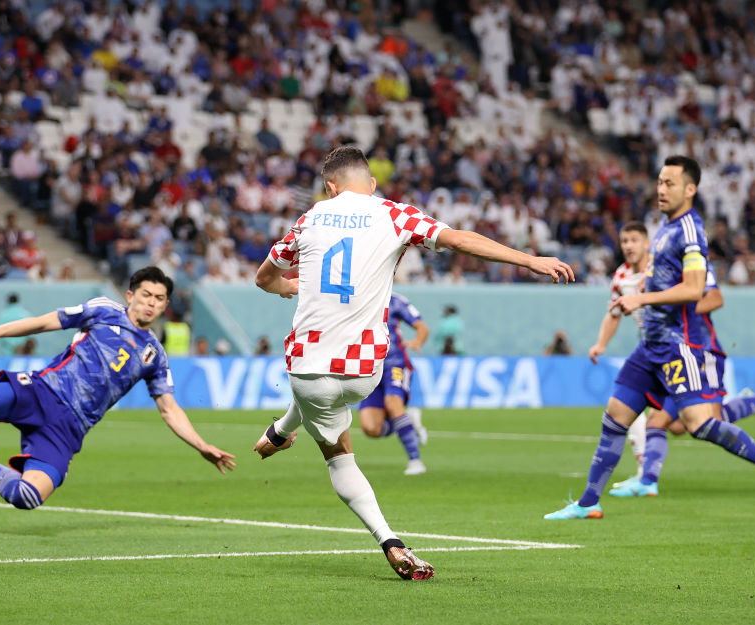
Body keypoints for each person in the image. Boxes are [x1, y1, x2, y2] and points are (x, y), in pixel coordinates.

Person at [252, 146, 574, 579]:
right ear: (371, 183)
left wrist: (287, 287)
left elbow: (263, 278)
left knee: (335, 447)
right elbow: (459, 240)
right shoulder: (393, 214)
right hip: (365, 370)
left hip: (307, 366)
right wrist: (529, 260)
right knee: (331, 398)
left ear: (329, 187)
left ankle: (389, 539)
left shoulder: (308, 218)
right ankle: (278, 432)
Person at [0, 267, 236, 510]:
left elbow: (169, 409)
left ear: (165, 307)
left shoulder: (155, 355)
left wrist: (201, 444)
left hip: (67, 429)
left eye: (159, 299)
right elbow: (43, 322)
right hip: (40, 391)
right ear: (131, 295)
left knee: (26, 498)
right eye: (146, 295)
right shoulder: (103, 309)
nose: (151, 303)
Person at [545, 156, 755, 520]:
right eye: (660, 182)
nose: (661, 190)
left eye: (670, 184)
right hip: (650, 345)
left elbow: (697, 289)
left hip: (679, 347)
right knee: (616, 416)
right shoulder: (665, 228)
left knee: (699, 425)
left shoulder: (691, 232)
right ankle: (589, 502)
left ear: (690, 189)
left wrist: (642, 298)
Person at [608, 259, 755, 498]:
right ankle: (648, 481)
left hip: (702, 352)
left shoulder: (694, 264)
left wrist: (674, 308)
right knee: (677, 425)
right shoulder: (659, 269)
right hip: (673, 355)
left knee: (707, 421)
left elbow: (715, 299)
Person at [587, 221, 652, 483]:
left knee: (691, 422)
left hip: (677, 348)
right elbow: (613, 314)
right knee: (625, 404)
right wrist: (600, 344)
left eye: (634, 240)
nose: (628, 246)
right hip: (649, 348)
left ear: (647, 243)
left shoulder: (662, 269)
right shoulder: (621, 276)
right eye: (624, 241)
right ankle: (645, 475)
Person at [357, 292, 430, 475]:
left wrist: (416, 342)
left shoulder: (396, 301)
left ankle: (415, 461)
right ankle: (408, 421)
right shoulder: (356, 296)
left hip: (395, 364)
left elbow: (421, 327)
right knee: (371, 429)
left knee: (393, 402)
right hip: (369, 369)